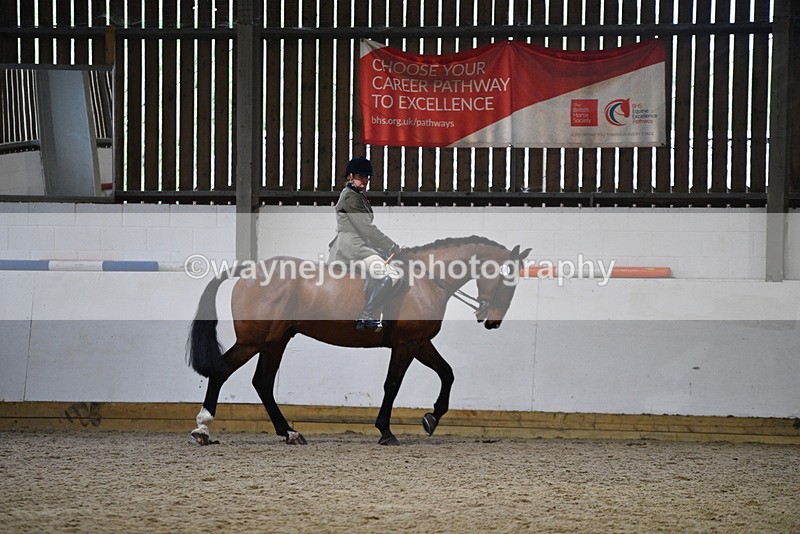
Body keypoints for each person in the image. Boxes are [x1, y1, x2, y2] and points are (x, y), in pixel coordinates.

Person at [328, 156, 402, 331]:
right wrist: (390, 246)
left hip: (358, 244)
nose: (365, 180)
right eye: (361, 176)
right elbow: (367, 228)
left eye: (367, 177)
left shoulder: (358, 196)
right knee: (392, 275)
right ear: (350, 176)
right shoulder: (350, 197)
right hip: (353, 248)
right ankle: (367, 315)